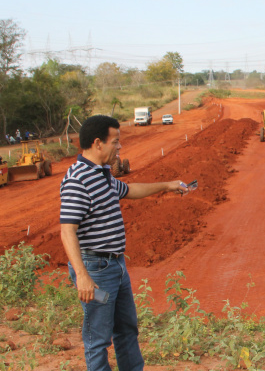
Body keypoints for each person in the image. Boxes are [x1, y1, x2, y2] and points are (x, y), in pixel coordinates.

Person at [60, 115, 188, 371]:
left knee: (127, 329)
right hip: (96, 271)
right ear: (98, 143)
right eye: (115, 142)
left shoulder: (103, 174)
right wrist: (83, 277)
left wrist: (167, 185)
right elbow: (67, 231)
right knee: (98, 338)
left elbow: (130, 190)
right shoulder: (78, 180)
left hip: (116, 267)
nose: (119, 147)